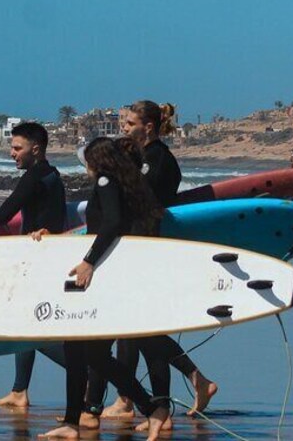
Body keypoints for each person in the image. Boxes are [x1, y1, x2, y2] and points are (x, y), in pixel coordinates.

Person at [86, 100, 216, 423]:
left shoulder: (159, 160)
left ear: (149, 127)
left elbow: (145, 203)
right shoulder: (146, 159)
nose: (124, 128)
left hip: (149, 252)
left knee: (143, 332)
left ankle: (166, 400)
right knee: (137, 332)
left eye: (130, 123)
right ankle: (137, 401)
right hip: (139, 250)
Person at [40, 137, 170, 440]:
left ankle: (80, 421)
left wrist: (88, 262)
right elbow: (107, 227)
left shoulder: (104, 180)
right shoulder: (129, 183)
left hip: (101, 277)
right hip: (116, 275)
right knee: (92, 354)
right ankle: (147, 409)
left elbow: (111, 224)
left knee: (80, 349)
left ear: (95, 160)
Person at [0, 122, 68, 408]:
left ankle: (86, 370)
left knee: (30, 329)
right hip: (47, 256)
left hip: (37, 260)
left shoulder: (34, 177)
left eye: (16, 148)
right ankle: (19, 390)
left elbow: (2, 215)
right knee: (27, 324)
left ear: (35, 149)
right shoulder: (52, 174)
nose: (12, 153)